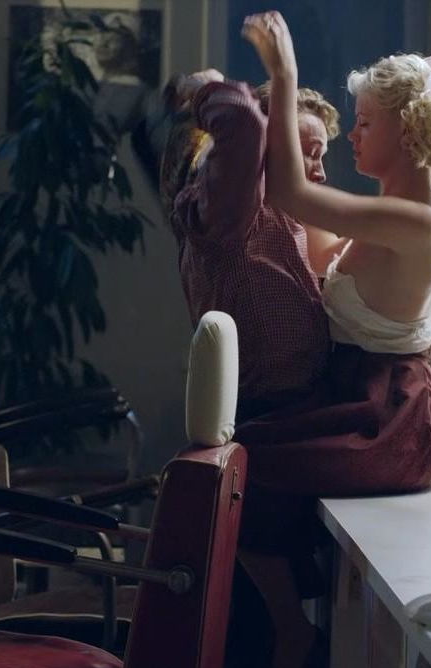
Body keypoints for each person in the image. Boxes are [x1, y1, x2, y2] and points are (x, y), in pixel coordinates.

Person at [234, 11, 431, 668]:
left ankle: (290, 635)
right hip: (358, 398)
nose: (355, 135)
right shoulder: (393, 207)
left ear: (406, 132)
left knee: (240, 467)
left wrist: (284, 75)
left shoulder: (419, 219)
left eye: (366, 122)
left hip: (389, 415)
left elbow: (293, 197)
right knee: (239, 457)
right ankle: (270, 641)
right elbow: (306, 231)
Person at [161, 67, 341, 418]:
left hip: (298, 410)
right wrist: (206, 88)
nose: (321, 173)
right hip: (269, 420)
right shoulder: (230, 211)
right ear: (262, 144)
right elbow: (242, 119)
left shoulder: (281, 215)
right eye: (310, 152)